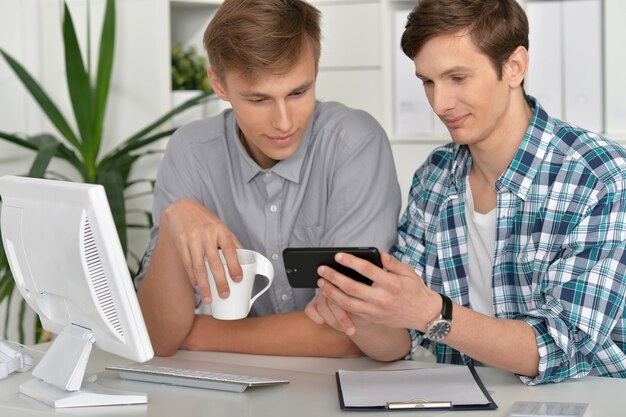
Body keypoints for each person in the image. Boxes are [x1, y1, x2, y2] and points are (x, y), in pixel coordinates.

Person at [305, 0, 626, 385]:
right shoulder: (435, 176)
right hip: (462, 399)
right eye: (428, 81)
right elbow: (400, 342)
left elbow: (560, 346)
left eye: (457, 78)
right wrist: (361, 312)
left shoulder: (601, 178)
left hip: (587, 400)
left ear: (514, 67)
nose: (440, 103)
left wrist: (431, 312)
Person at [135, 0, 401, 357]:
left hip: (335, 388)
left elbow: (350, 333)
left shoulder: (355, 144)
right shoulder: (191, 151)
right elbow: (157, 336)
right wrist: (175, 220)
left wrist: (196, 333)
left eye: (298, 92)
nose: (285, 122)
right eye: (258, 99)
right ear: (219, 84)